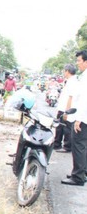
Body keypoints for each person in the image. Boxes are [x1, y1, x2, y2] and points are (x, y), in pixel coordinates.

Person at [61, 50, 87, 186]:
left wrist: (79, 119)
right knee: (83, 146)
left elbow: (84, 100)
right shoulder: (83, 76)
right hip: (83, 117)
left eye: (79, 61)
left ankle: (78, 177)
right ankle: (82, 172)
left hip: (83, 118)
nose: (78, 64)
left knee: (78, 146)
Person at [53, 64, 78, 153]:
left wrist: (67, 112)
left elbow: (71, 97)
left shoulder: (73, 81)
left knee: (65, 128)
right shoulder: (70, 80)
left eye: (64, 71)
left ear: (67, 71)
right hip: (63, 108)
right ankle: (57, 144)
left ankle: (66, 146)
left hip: (65, 109)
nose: (64, 73)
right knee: (60, 127)